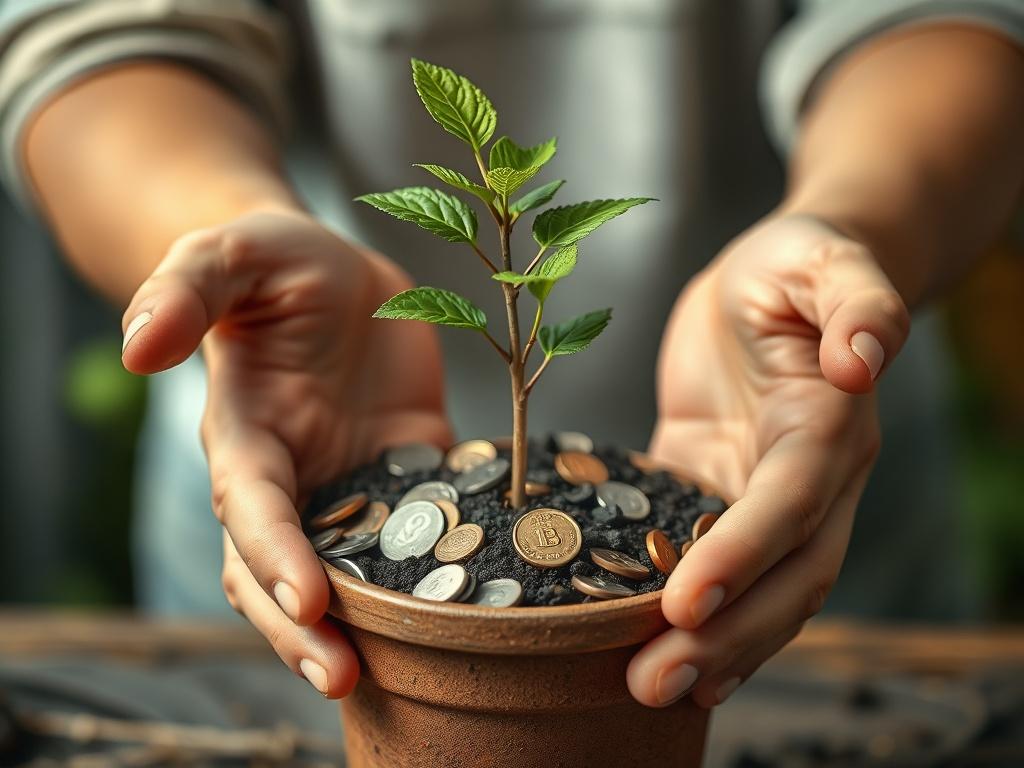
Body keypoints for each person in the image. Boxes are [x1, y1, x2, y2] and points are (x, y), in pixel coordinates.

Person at [0, 0, 1021, 711]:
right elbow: (91, 30)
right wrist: (217, 227)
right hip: (290, 453)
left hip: (796, 457)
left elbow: (948, 13)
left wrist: (855, 224)